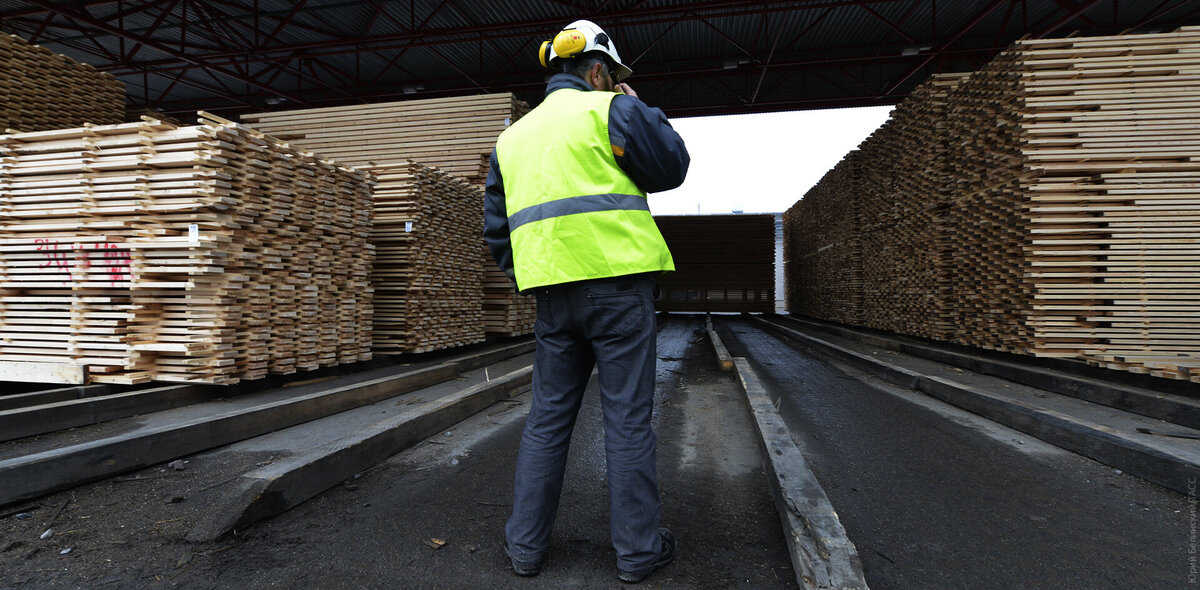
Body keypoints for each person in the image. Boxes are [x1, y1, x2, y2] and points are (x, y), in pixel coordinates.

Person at [483, 19, 690, 585]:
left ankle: (525, 550)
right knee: (626, 422)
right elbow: (672, 166)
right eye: (611, 76)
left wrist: (540, 274)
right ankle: (637, 555)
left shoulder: (511, 139)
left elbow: (498, 231)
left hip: (553, 297)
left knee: (547, 421)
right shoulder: (612, 111)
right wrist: (641, 109)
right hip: (620, 291)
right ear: (597, 71)